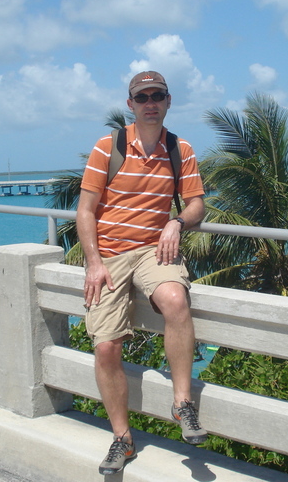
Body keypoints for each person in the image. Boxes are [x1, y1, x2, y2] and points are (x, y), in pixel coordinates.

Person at [76, 71, 208, 476]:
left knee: (174, 299)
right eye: (142, 96)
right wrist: (95, 263)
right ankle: (122, 438)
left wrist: (176, 223)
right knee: (106, 348)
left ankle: (182, 404)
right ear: (131, 104)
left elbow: (197, 206)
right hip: (111, 254)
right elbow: (85, 211)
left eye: (158, 95)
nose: (151, 102)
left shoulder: (178, 148)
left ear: (168, 101)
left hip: (155, 249)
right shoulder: (109, 147)